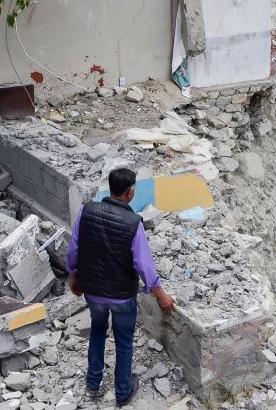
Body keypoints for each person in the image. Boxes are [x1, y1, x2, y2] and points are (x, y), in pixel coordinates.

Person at [65, 167, 176, 406]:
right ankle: (123, 391)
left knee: (97, 330)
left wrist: (73, 275)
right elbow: (144, 266)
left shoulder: (86, 210)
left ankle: (93, 383)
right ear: (130, 193)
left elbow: (74, 248)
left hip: (93, 291)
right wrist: (161, 295)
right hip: (121, 296)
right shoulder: (133, 223)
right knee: (124, 341)